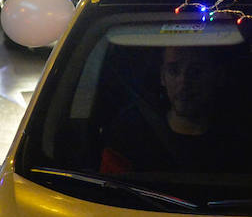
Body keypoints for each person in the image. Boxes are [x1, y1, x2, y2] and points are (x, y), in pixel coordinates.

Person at [100, 46, 242, 174]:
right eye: (173, 70)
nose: (184, 82)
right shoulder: (129, 133)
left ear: (218, 76)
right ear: (162, 77)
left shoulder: (240, 138)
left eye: (196, 72)